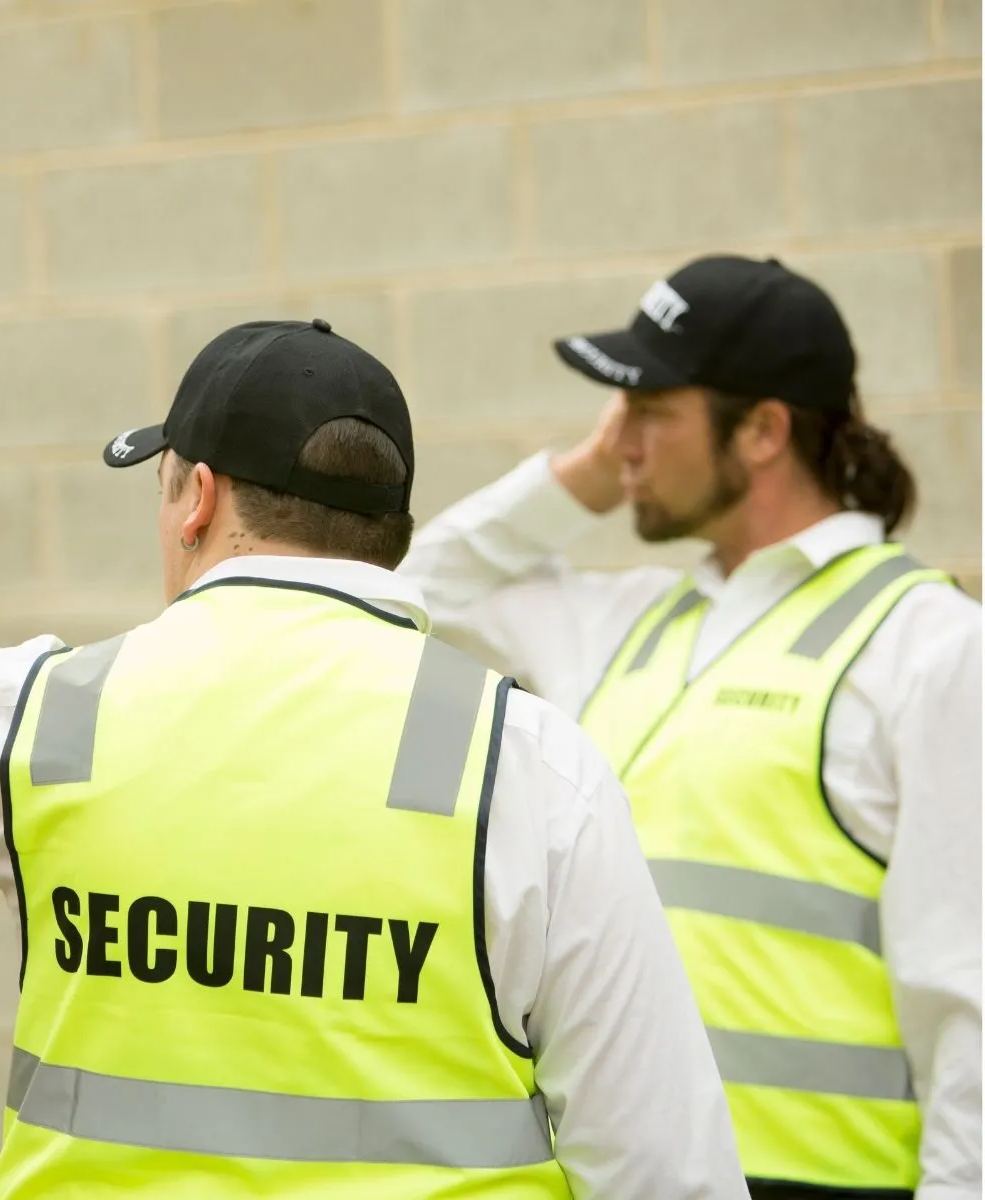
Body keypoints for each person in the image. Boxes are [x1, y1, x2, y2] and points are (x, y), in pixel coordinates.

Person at [0, 318, 749, 1198]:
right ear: (389, 533)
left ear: (196, 498)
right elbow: (665, 1168)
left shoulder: (39, 717)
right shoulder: (529, 764)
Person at [400, 255, 983, 1200]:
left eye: (650, 412)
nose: (620, 441)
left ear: (762, 431)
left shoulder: (933, 646)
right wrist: (590, 476)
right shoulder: (625, 620)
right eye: (613, 417)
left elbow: (970, 1002)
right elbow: (409, 592)